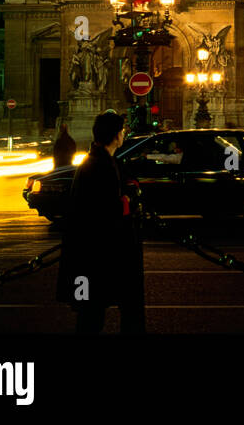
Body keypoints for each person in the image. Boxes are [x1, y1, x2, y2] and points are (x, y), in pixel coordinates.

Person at [56, 110, 142, 334]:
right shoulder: (100, 165)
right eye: (122, 131)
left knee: (92, 313)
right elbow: (108, 210)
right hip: (97, 257)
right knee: (92, 316)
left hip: (93, 256)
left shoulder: (98, 160)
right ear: (116, 136)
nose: (124, 134)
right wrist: (128, 201)